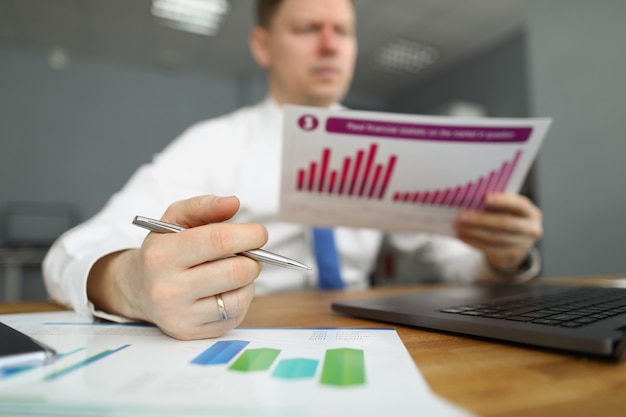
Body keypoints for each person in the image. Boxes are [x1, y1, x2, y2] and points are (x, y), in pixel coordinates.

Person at [43, 0, 542, 340]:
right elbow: (70, 253)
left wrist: (502, 257)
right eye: (308, 29)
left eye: (342, 31)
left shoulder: (392, 149)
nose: (330, 45)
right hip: (244, 339)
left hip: (367, 339)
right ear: (264, 46)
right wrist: (133, 282)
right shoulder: (214, 143)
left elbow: (452, 260)